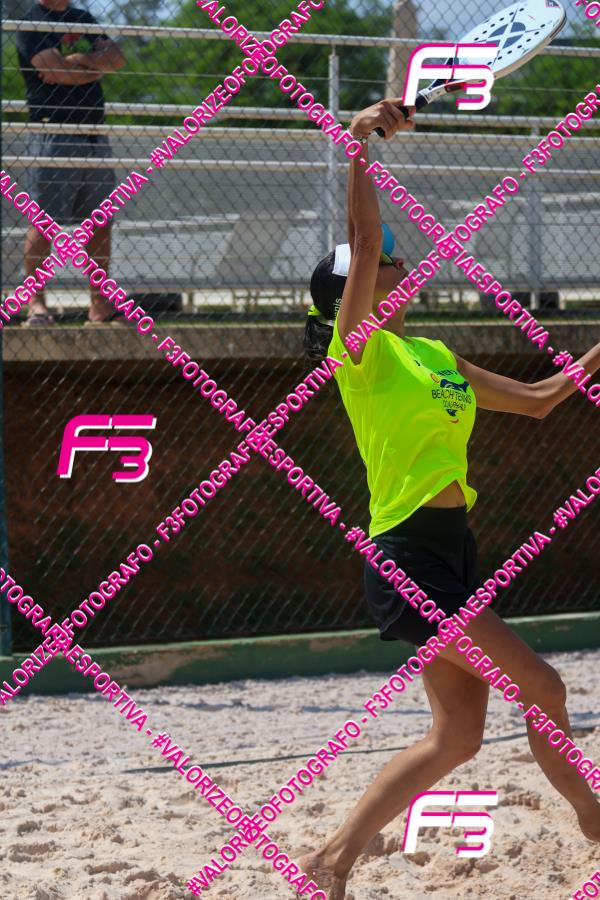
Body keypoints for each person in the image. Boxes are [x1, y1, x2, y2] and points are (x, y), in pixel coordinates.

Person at [300, 98, 600, 899]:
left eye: (393, 259)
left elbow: (540, 401)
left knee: (457, 736)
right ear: (349, 291)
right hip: (405, 557)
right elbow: (365, 237)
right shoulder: (358, 352)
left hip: (452, 552)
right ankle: (595, 819)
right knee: (545, 687)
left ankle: (331, 861)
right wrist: (359, 144)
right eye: (381, 264)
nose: (395, 263)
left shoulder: (433, 354)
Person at [15, 0, 126, 325]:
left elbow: (117, 58)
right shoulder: (32, 22)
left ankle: (99, 305)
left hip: (93, 132)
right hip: (55, 130)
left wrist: (77, 62)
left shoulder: (82, 17)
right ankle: (35, 303)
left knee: (100, 222)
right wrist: (92, 64)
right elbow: (55, 72)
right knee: (44, 223)